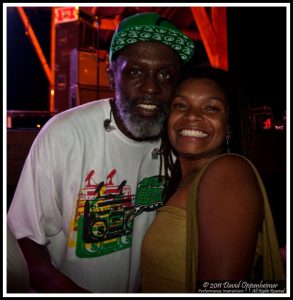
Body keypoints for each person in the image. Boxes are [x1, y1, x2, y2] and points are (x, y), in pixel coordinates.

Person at [7, 12, 195, 293]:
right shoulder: (65, 135)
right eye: (134, 71)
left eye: (165, 74)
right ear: (111, 76)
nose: (151, 87)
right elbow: (26, 239)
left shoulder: (176, 142)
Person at [140, 65, 285, 293]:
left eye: (211, 107)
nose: (192, 115)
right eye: (180, 105)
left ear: (228, 128)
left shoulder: (227, 173)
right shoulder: (183, 180)